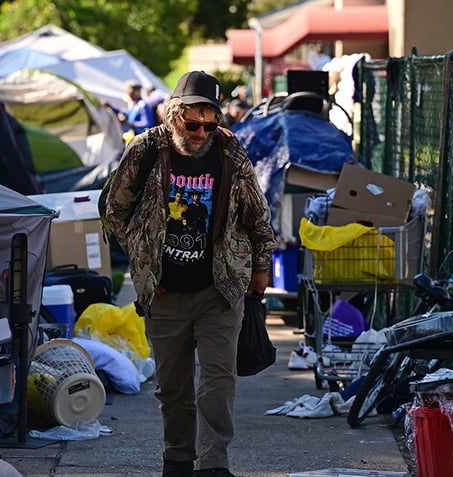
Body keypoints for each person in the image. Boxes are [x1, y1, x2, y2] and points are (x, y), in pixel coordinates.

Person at [104, 71, 277, 477]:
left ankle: (213, 466)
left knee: (218, 383)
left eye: (209, 122)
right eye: (192, 122)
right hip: (164, 292)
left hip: (220, 287)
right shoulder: (146, 149)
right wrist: (143, 260)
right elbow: (115, 209)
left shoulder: (230, 153)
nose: (201, 132)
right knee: (174, 389)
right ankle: (178, 461)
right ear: (173, 114)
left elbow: (257, 213)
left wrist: (262, 265)